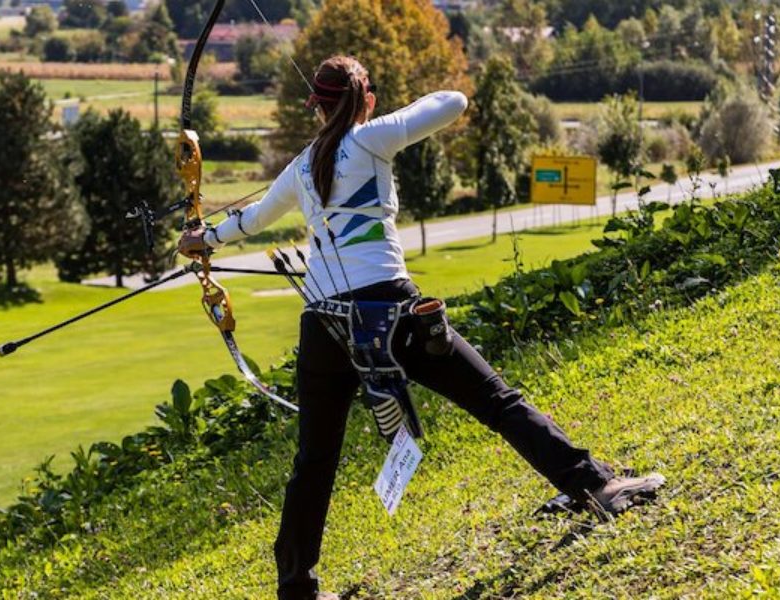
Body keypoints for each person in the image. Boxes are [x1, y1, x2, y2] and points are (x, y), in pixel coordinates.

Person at [177, 56, 665, 600]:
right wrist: (372, 114)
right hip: (388, 311)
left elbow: (252, 220)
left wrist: (204, 239)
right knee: (495, 399)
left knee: (314, 457)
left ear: (316, 105)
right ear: (364, 98)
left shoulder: (301, 166)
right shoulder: (370, 139)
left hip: (322, 324)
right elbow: (453, 101)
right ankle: (593, 484)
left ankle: (296, 587)